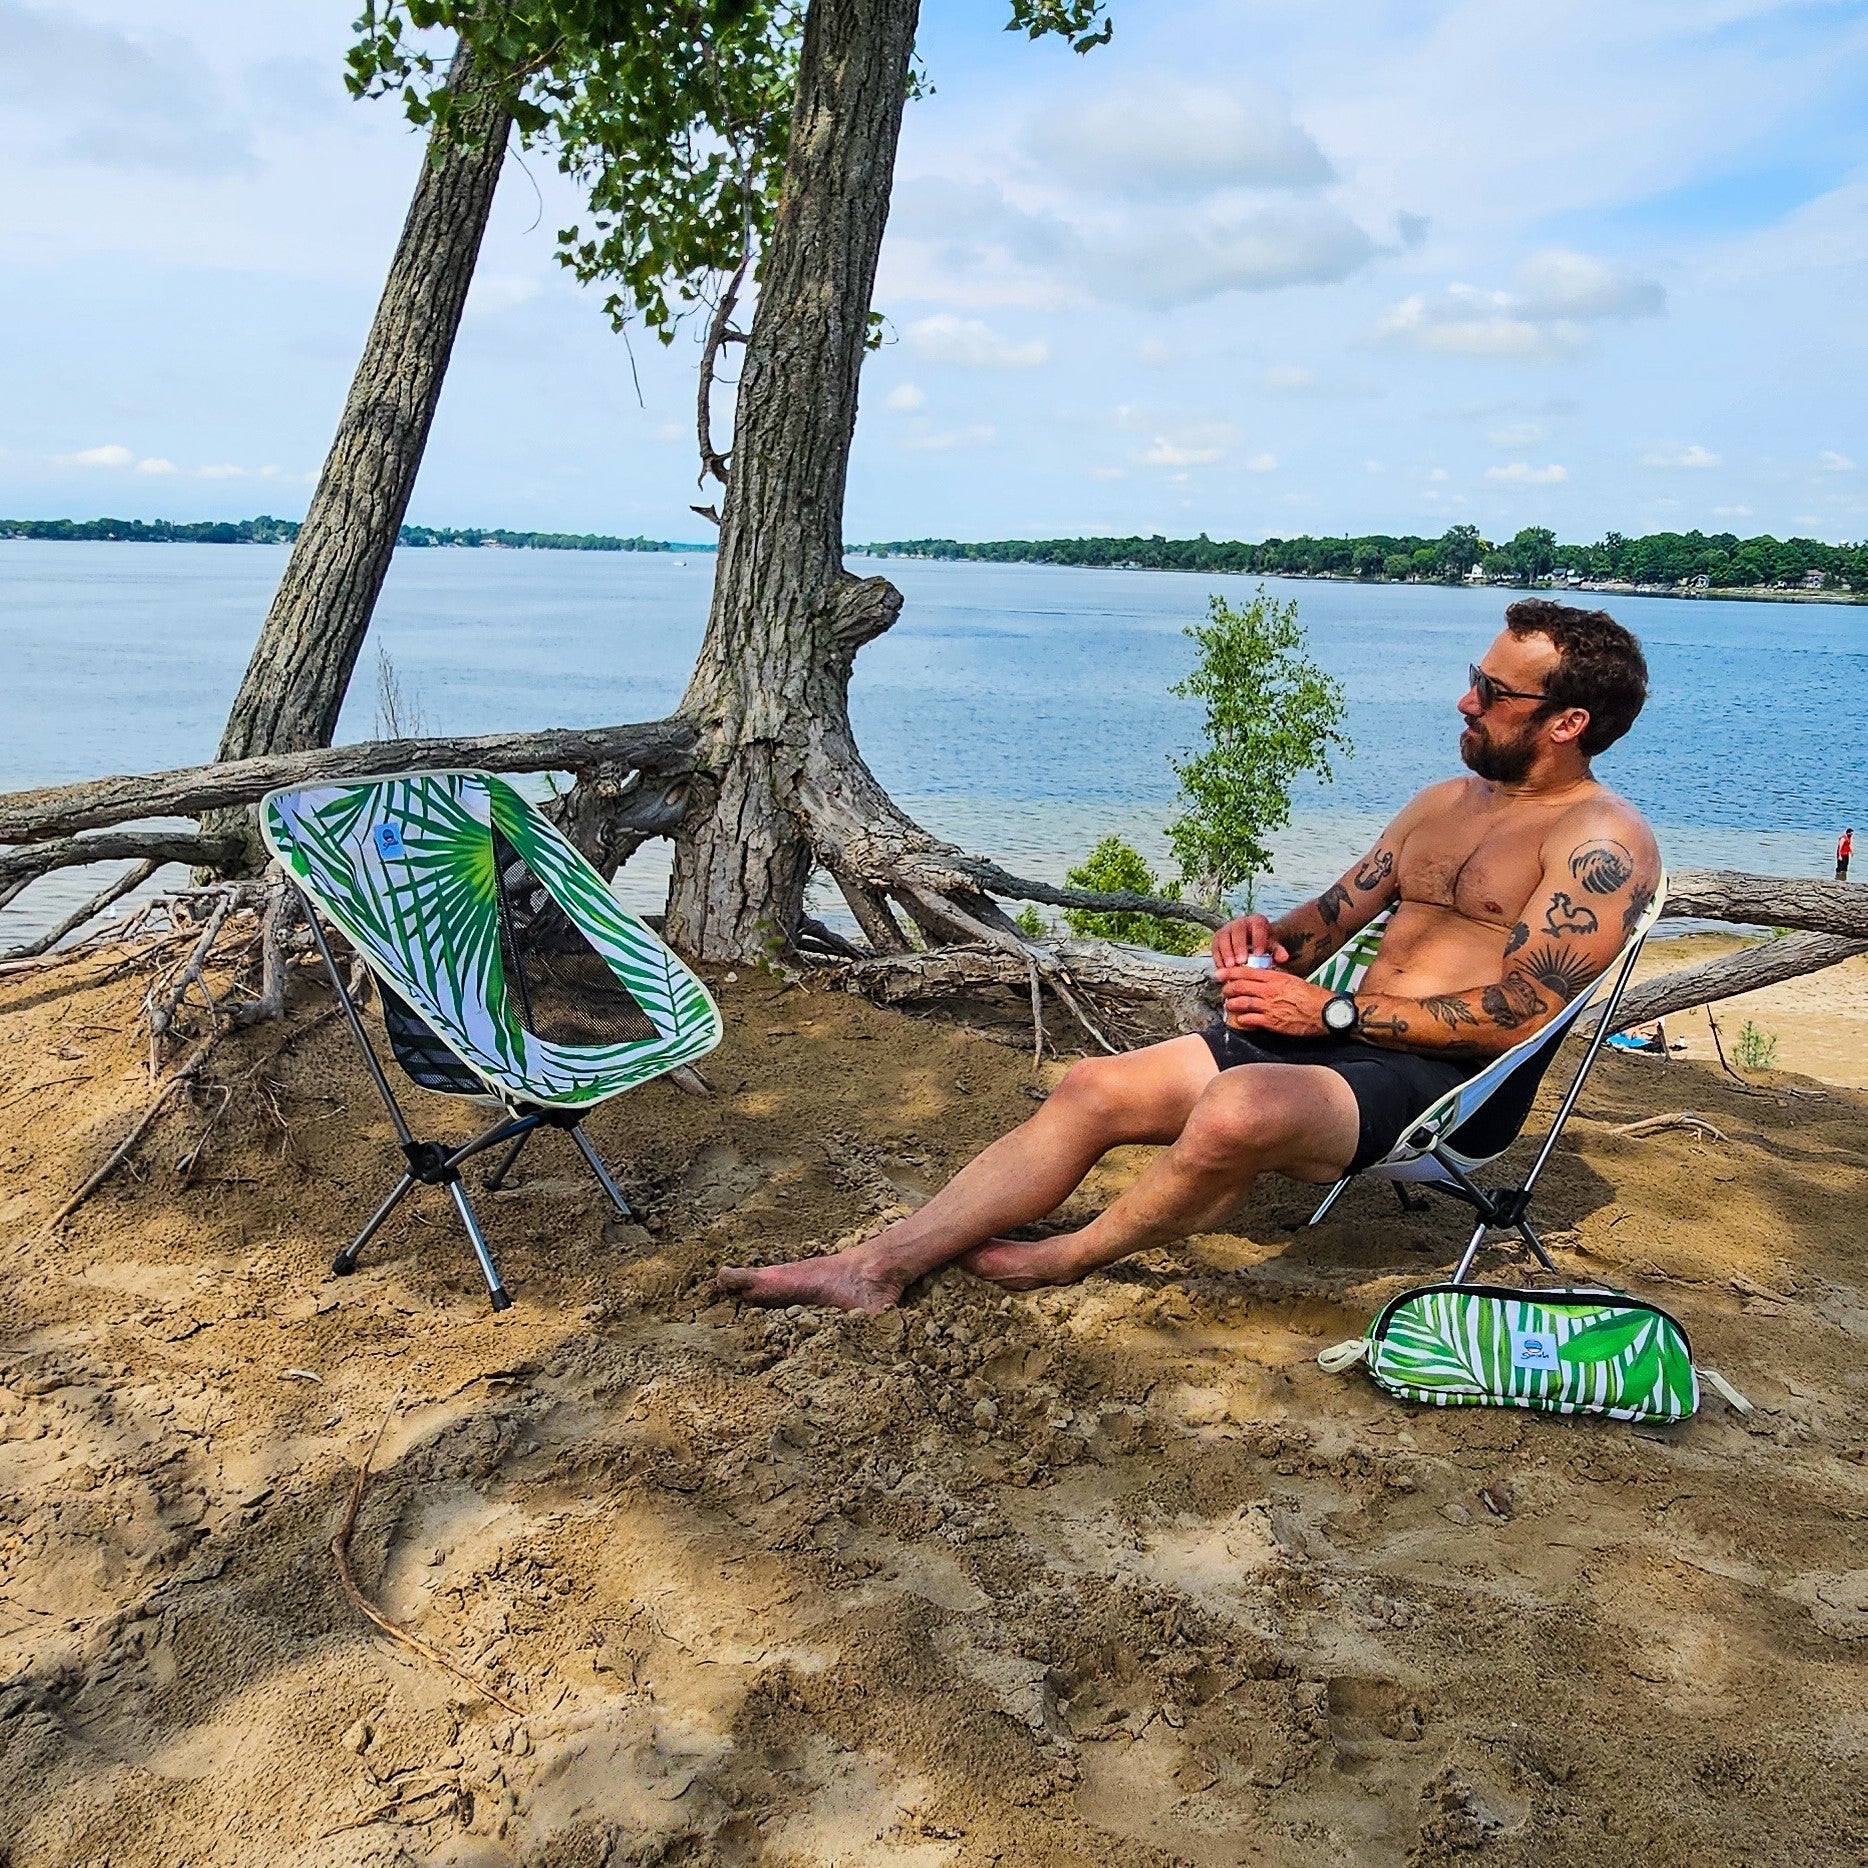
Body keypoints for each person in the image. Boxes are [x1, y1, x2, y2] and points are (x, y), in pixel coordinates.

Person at [717, 598, 1661, 1314]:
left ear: (1566, 722)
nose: (1466, 699)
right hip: (1339, 1041)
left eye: (1494, 691)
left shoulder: (1601, 842)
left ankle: (1066, 1256)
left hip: (1452, 1089)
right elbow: (1323, 927)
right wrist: (1264, 943)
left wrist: (1330, 1011)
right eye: (1474, 676)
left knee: (1236, 1108)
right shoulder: (1442, 805)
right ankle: (877, 1265)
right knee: (1091, 1087)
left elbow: (1522, 1015)